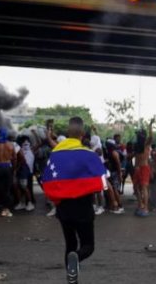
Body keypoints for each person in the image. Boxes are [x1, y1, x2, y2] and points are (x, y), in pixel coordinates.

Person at [42, 117, 105, 284]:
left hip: (64, 208)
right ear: (82, 134)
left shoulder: (55, 154)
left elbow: (47, 179)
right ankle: (77, 257)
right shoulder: (88, 155)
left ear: (68, 133)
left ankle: (72, 280)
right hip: (83, 207)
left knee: (70, 243)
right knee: (88, 246)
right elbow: (101, 182)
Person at [133, 118, 154, 217]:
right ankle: (140, 205)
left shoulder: (146, 144)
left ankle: (145, 207)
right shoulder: (137, 145)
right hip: (137, 169)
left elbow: (151, 136)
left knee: (144, 187)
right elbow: (136, 157)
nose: (138, 136)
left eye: (139, 134)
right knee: (136, 187)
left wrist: (150, 125)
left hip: (144, 168)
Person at [14, 135, 36, 211]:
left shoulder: (30, 150)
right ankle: (22, 203)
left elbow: (22, 161)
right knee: (18, 186)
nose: (26, 144)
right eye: (24, 142)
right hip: (23, 171)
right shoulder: (20, 149)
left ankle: (30, 203)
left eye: (27, 142)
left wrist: (16, 168)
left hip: (25, 170)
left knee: (24, 187)